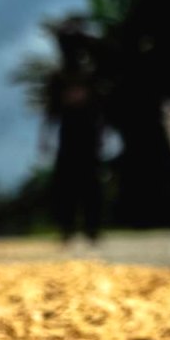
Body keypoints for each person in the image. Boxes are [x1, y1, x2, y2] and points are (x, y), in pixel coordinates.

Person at [42, 17, 105, 244]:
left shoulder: (90, 75)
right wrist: (45, 137)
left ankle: (91, 227)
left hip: (88, 133)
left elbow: (100, 106)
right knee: (66, 183)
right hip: (68, 135)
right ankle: (67, 227)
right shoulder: (58, 77)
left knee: (90, 183)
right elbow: (51, 110)